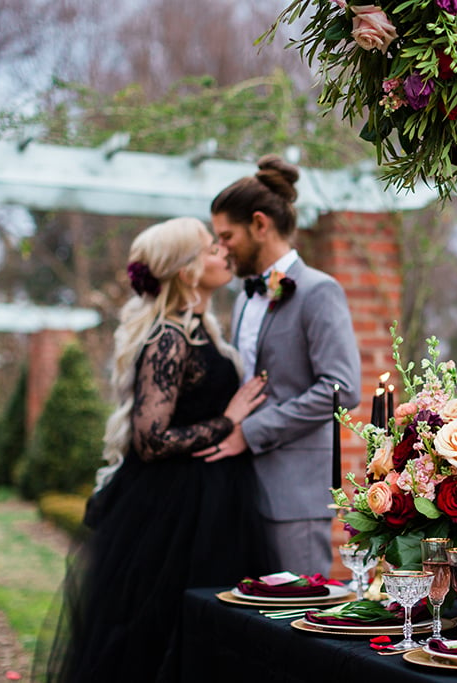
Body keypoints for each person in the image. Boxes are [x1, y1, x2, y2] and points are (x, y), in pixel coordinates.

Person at [35, 217, 268, 682]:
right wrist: (229, 419)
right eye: (208, 248)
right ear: (186, 270)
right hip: (173, 512)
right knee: (161, 638)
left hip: (214, 500)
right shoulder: (169, 337)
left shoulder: (201, 329)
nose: (222, 253)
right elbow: (151, 438)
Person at [204, 154, 361, 578]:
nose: (221, 249)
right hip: (237, 486)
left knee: (293, 616)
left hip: (294, 494)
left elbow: (342, 388)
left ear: (260, 224)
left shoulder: (319, 291)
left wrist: (250, 432)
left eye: (226, 236)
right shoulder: (242, 298)